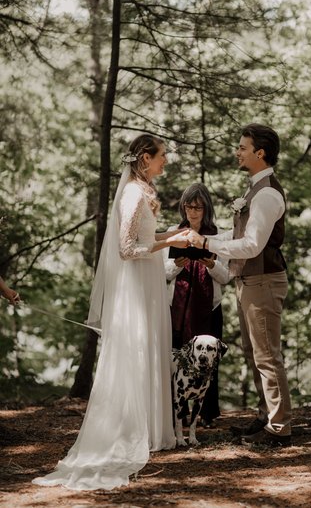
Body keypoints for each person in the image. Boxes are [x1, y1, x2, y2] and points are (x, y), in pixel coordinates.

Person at [32, 134, 189, 490]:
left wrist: (173, 234)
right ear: (146, 158)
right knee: (134, 352)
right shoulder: (133, 193)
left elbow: (143, 237)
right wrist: (169, 242)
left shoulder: (142, 189)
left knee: (149, 349)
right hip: (135, 288)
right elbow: (127, 248)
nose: (166, 161)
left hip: (148, 282)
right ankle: (129, 429)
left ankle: (150, 428)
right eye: (162, 155)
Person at [187, 123, 292, 447]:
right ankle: (265, 415)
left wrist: (206, 244)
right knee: (253, 352)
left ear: (260, 153)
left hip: (263, 280)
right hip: (249, 281)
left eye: (243, 147)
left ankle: (279, 428)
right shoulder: (254, 190)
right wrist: (200, 239)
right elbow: (236, 238)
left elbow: (251, 246)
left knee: (266, 356)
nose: (238, 151)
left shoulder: (267, 194)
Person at [164, 183, 232, 427]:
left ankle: (207, 413)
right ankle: (175, 412)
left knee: (208, 361)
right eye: (188, 206)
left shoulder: (218, 235)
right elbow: (163, 273)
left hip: (209, 308)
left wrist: (212, 264)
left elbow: (226, 277)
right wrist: (178, 264)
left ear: (207, 209)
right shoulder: (173, 231)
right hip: (177, 309)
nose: (192, 212)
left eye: (198, 207)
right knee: (177, 359)